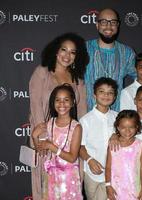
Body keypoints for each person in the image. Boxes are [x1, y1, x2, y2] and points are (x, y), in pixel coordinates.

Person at [29, 32, 88, 200]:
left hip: (70, 140)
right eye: (64, 50)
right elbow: (36, 108)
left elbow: (82, 112)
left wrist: (80, 141)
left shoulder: (78, 79)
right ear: (56, 51)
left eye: (72, 52)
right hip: (45, 139)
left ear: (77, 57)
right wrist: (43, 139)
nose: (67, 55)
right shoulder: (42, 72)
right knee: (46, 184)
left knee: (70, 187)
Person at [32, 84, 83, 199]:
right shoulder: (50, 123)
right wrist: (34, 136)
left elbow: (72, 157)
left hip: (69, 179)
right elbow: (42, 151)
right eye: (58, 100)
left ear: (72, 102)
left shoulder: (76, 127)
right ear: (53, 102)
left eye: (66, 100)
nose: (62, 104)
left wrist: (52, 147)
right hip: (50, 177)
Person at [84, 8, 136, 112]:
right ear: (97, 25)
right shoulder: (84, 49)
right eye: (104, 22)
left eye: (113, 22)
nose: (108, 26)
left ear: (118, 26)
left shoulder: (126, 53)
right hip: (88, 118)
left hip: (116, 118)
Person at [79, 77, 118, 200]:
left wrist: (116, 135)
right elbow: (80, 146)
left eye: (110, 92)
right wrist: (90, 160)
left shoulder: (118, 117)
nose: (106, 95)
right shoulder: (86, 120)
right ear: (94, 95)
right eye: (102, 91)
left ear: (115, 97)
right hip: (92, 172)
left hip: (115, 172)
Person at [105, 110, 142, 200]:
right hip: (115, 189)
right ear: (118, 127)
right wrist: (108, 185)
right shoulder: (112, 144)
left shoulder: (140, 145)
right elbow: (108, 167)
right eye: (123, 127)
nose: (127, 131)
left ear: (137, 127)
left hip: (134, 189)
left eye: (131, 127)